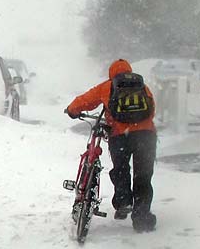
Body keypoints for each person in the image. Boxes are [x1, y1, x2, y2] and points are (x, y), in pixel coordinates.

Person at [64, 58, 158, 231]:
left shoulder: (107, 86)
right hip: (146, 136)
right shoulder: (142, 87)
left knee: (121, 169)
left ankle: (123, 202)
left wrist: (71, 110)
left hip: (120, 136)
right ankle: (142, 218)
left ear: (111, 73)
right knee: (143, 175)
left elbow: (85, 101)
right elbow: (151, 110)